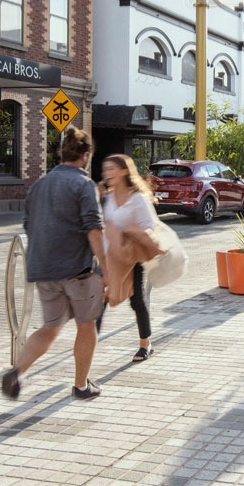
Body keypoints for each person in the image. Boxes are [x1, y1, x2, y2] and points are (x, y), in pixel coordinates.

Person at [1, 127, 105, 401]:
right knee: (86, 325)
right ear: (85, 156)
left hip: (43, 270)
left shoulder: (39, 185)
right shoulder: (84, 185)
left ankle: (18, 372)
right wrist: (106, 270)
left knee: (51, 327)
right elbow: (94, 230)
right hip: (77, 272)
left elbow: (28, 225)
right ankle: (81, 385)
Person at [97, 154, 159, 362]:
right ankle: (89, 345)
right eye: (105, 169)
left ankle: (145, 344)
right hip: (108, 257)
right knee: (99, 300)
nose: (106, 173)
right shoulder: (107, 198)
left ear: (124, 171)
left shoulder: (138, 198)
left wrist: (126, 234)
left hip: (132, 257)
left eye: (111, 169)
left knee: (137, 300)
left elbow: (150, 228)